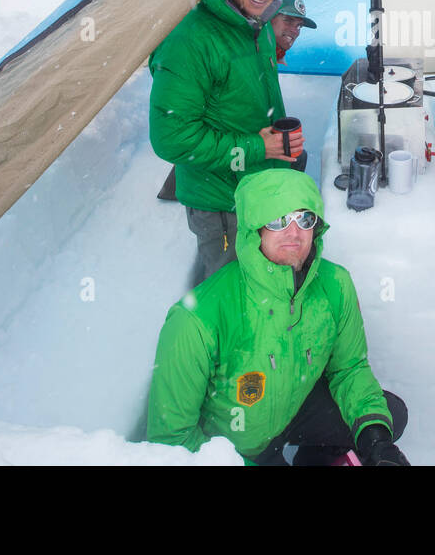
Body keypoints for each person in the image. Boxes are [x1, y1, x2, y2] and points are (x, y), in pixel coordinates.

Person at [146, 168, 410, 465]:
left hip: (295, 405)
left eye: (304, 219)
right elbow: (172, 441)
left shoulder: (335, 284)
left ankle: (317, 458)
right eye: (277, 220)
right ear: (253, 229)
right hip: (238, 448)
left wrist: (376, 440)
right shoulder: (195, 319)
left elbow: (348, 368)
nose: (294, 233)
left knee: (388, 416)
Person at [148, 0, 305, 282]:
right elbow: (172, 138)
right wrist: (256, 146)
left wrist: (278, 143)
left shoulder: (257, 25)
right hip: (220, 201)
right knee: (230, 291)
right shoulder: (189, 39)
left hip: (258, 186)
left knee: (261, 281)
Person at [268, 0, 316, 66]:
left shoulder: (275, 59)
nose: (295, 31)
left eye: (299, 26)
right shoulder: (248, 52)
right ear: (268, 18)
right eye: (288, 20)